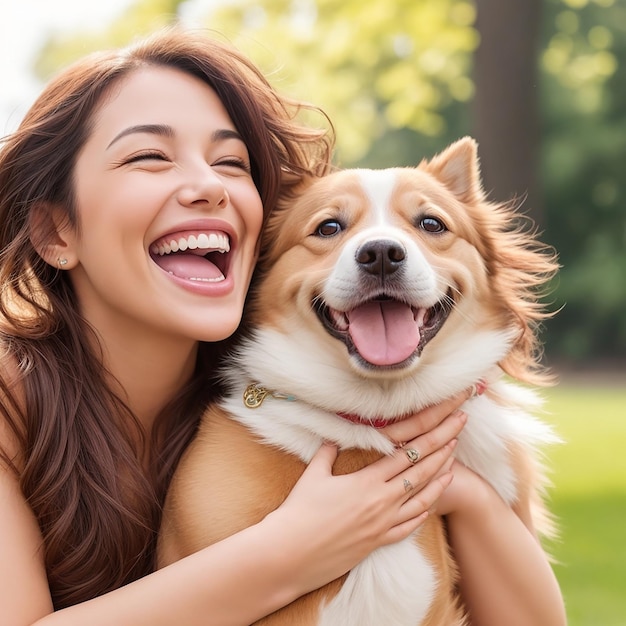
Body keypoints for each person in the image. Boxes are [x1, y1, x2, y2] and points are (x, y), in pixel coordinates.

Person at [0, 27, 565, 626]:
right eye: (150, 157)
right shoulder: (13, 399)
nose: (208, 186)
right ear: (57, 232)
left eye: (230, 162)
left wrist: (455, 488)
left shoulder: (305, 390)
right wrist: (293, 550)